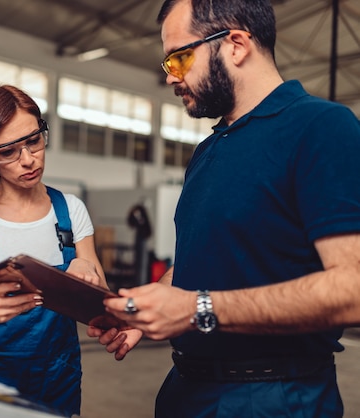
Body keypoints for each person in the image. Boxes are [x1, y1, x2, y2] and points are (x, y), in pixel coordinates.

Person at [88, 0, 360, 416]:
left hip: (275, 396)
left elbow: (352, 289)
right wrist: (151, 305)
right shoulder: (208, 150)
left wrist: (198, 309)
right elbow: (209, 262)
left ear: (235, 44)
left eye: (179, 58)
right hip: (187, 387)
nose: (169, 76)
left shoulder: (321, 127)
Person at [0, 84, 136, 417]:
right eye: (8, 152)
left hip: (59, 379)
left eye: (33, 140)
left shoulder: (70, 211)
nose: (28, 160)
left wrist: (90, 280)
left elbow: (101, 303)